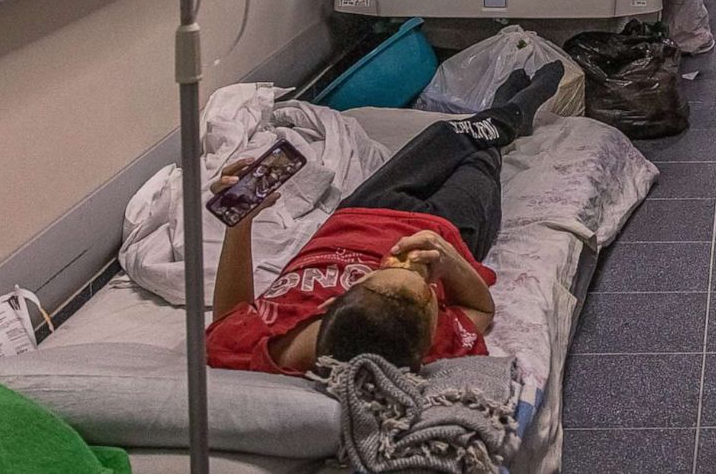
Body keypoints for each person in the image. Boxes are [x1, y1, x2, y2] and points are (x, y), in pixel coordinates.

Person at [204, 64, 562, 374]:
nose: (399, 254)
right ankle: (512, 114)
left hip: (359, 214)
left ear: (330, 303)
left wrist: (242, 221)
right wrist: (446, 259)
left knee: (444, 134)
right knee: (480, 158)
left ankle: (505, 113)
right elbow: (479, 307)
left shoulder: (250, 348)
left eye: (388, 265)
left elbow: (227, 319)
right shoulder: (413, 340)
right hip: (448, 228)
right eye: (417, 275)